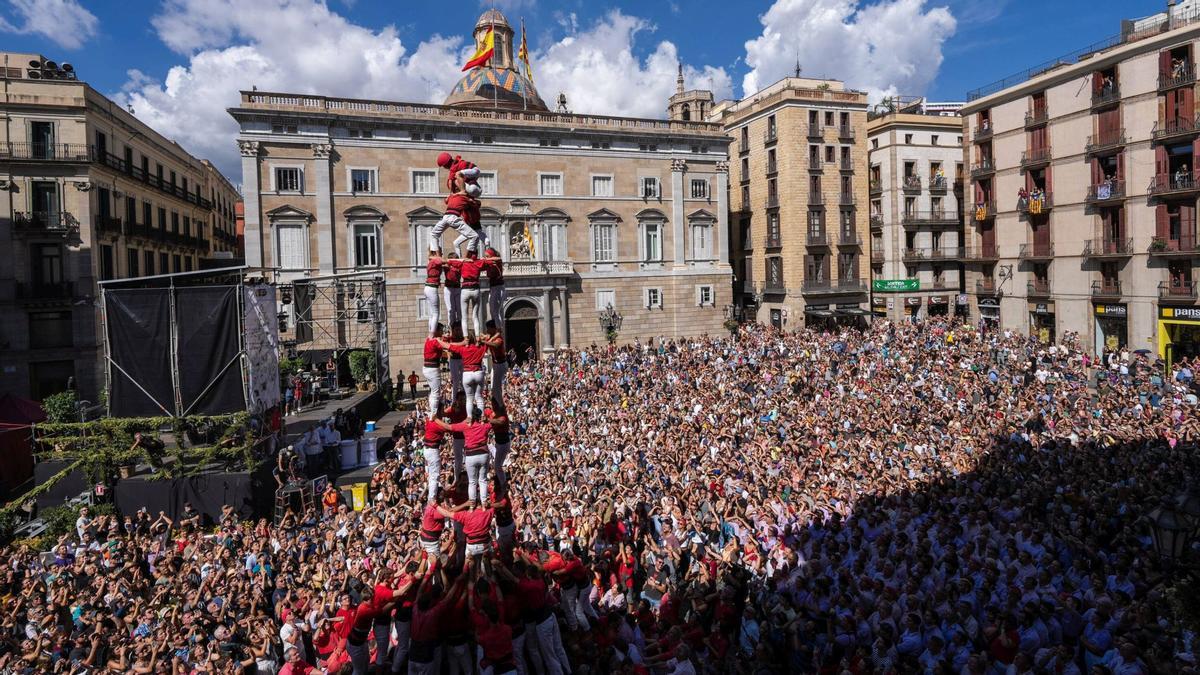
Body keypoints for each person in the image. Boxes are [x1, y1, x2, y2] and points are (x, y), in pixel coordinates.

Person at [436, 409, 493, 505]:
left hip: (471, 455)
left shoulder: (465, 426)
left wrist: (435, 419)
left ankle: (472, 504)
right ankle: (484, 502)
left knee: (472, 482)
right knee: (482, 480)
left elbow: (448, 426)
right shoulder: (485, 426)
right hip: (483, 454)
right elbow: (496, 422)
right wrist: (488, 418)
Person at [440, 332, 488, 420]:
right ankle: (481, 416)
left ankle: (469, 417)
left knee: (469, 398)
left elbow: (448, 346)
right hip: (478, 372)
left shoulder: (463, 349)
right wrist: (482, 338)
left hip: (467, 374)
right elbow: (488, 340)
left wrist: (438, 341)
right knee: (479, 397)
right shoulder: (481, 348)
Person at [483, 320, 507, 401]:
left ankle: (499, 403)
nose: (487, 331)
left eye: (488, 328)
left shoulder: (499, 338)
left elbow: (495, 345)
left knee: (498, 386)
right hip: (495, 364)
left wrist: (484, 341)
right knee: (493, 386)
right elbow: (482, 336)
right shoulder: (490, 337)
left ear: (493, 329)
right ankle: (496, 400)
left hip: (501, 365)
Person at [481, 247, 505, 326]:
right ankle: (495, 328)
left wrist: (486, 260)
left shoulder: (497, 262)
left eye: (487, 256)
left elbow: (498, 258)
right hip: (493, 288)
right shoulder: (488, 263)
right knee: (492, 311)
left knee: (496, 311)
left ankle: (498, 330)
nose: (485, 258)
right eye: (485, 256)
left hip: (498, 288)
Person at [423, 249, 444, 333]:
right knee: (436, 313)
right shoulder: (435, 261)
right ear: (436, 253)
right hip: (431, 288)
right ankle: (432, 334)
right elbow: (442, 260)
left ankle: (430, 332)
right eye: (440, 252)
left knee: (431, 314)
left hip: (427, 288)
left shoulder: (430, 260)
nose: (442, 254)